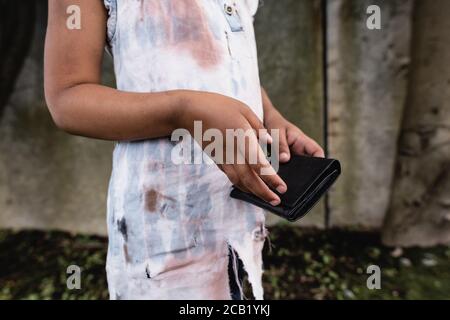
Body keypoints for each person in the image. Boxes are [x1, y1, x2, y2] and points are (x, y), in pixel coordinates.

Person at [44, 0, 324, 300]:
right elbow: (67, 99)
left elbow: (230, 54)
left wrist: (270, 118)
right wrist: (183, 111)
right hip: (161, 235)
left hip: (240, 225)